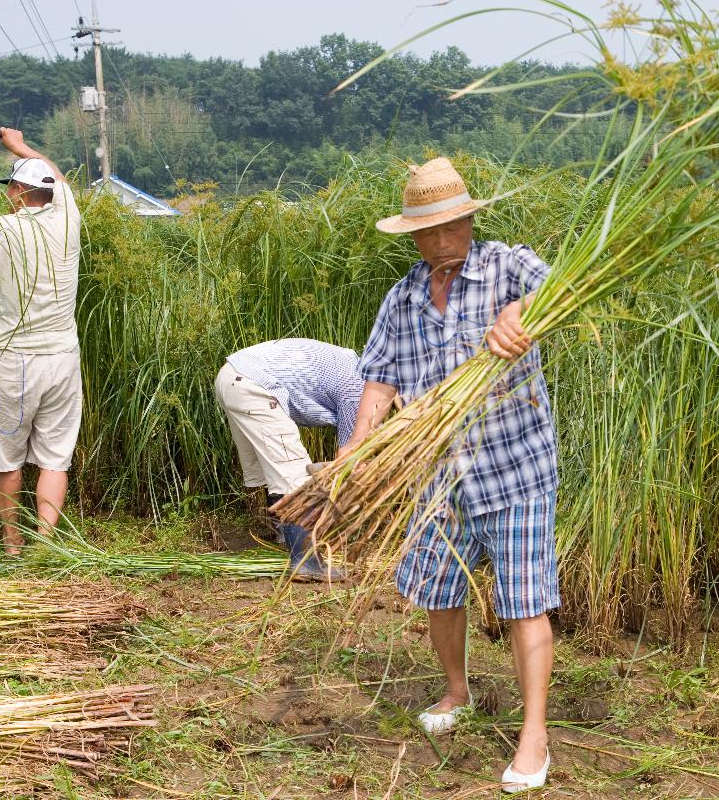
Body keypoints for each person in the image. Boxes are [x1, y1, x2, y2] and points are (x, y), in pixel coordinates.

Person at [338, 158, 558, 792]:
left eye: (450, 227)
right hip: (440, 474)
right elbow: (379, 376)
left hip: (514, 467)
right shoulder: (403, 296)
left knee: (524, 601)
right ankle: (457, 691)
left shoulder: (507, 265)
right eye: (427, 232)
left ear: (469, 220)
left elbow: (561, 288)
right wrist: (357, 449)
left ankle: (534, 736)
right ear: (412, 235)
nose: (440, 243)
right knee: (437, 589)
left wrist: (522, 310)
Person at [0, 128, 82, 554]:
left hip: (11, 360)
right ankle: (47, 543)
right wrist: (21, 147)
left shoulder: (2, 229)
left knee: (6, 455)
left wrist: (17, 152)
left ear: (19, 191)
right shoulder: (70, 222)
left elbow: (52, 182)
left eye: (11, 188)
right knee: (55, 457)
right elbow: (60, 180)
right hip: (62, 359)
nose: (8, 196)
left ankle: (13, 545)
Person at [215, 338, 360, 582]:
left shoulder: (354, 365)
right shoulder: (358, 388)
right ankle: (306, 563)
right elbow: (348, 455)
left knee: (267, 468)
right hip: (255, 386)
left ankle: (280, 534)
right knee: (295, 477)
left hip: (233, 375)